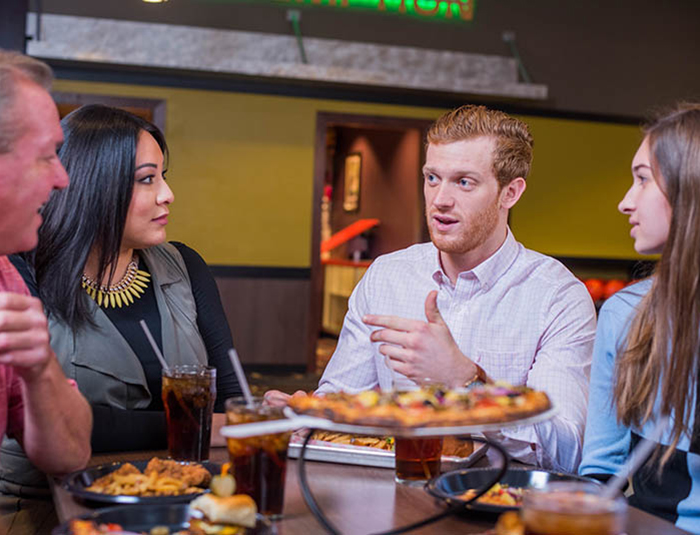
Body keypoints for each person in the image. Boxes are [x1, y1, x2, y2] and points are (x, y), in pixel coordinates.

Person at [267, 105, 596, 473]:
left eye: (464, 182)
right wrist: (307, 413)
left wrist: (466, 383)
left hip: (494, 511)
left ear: (510, 193)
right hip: (389, 495)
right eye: (432, 178)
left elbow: (568, 450)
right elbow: (343, 403)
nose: (440, 199)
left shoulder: (557, 297)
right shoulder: (387, 276)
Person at [1, 104, 241, 490]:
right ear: (94, 186)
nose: (168, 194)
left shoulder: (185, 265)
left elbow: (231, 400)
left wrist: (244, 415)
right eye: (147, 179)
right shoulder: (21, 271)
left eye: (163, 176)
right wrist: (199, 424)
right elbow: (69, 425)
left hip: (174, 491)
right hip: (44, 503)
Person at [580, 104, 700, 533]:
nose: (625, 202)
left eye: (643, 179)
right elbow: (599, 472)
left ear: (690, 187)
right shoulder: (623, 314)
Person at [0, 50, 92, 528]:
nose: (62, 179)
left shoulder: (7, 276)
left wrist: (40, 370)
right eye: (46, 156)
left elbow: (71, 454)